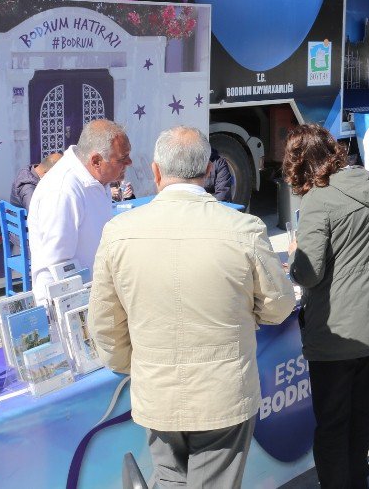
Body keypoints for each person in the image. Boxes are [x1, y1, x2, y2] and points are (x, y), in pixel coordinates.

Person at [88, 126, 295, 489]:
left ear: (155, 171)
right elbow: (278, 306)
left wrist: (137, 366)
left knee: (169, 479)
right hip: (223, 393)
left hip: (158, 392)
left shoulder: (119, 232)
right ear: (209, 169)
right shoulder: (243, 228)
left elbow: (105, 324)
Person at [285, 124, 369, 489]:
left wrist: (293, 259)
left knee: (333, 424)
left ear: (300, 162)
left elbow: (308, 272)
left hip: (339, 329)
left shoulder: (319, 200)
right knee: (359, 412)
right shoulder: (367, 185)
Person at [28, 119, 131, 303]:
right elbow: (57, 266)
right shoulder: (63, 190)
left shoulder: (96, 176)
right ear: (96, 161)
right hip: (69, 305)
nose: (129, 163)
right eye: (122, 159)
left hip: (93, 297)